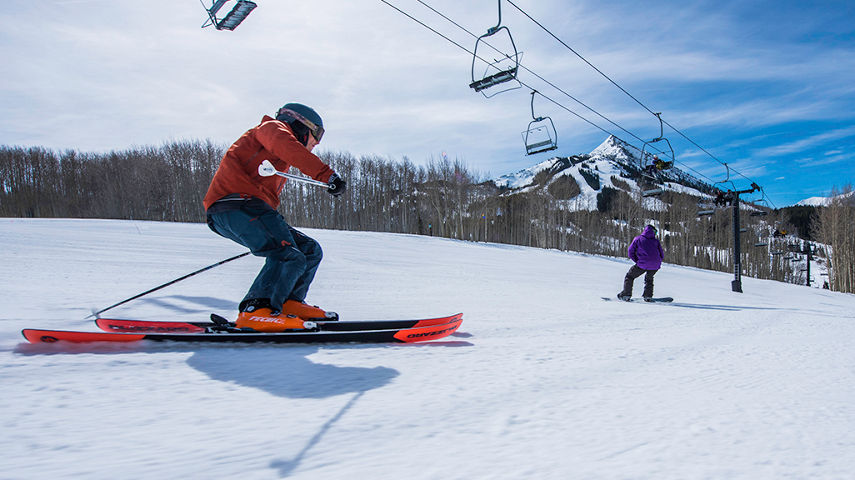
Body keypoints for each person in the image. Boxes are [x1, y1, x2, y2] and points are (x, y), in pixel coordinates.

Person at [203, 103, 347, 331]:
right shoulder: (271, 128)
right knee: (286, 253)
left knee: (309, 250)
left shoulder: (278, 154)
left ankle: (289, 303)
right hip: (233, 205)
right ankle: (255, 310)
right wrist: (326, 176)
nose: (317, 142)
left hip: (249, 208)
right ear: (300, 124)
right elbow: (288, 147)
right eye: (316, 134)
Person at [617, 225, 664, 301]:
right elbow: (661, 254)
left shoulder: (638, 239)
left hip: (642, 263)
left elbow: (630, 252)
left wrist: (637, 261)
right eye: (655, 232)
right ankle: (648, 296)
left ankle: (626, 294)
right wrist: (657, 261)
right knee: (649, 278)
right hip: (655, 265)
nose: (655, 234)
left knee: (629, 277)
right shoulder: (655, 241)